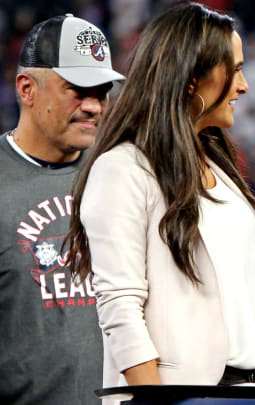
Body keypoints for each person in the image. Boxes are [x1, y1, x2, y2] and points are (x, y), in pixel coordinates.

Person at [64, 2, 255, 395]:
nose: (244, 85)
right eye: (235, 70)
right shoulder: (122, 170)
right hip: (188, 394)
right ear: (192, 79)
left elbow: (239, 295)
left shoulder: (217, 164)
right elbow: (121, 309)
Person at [0, 13, 124, 405]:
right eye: (77, 90)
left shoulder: (121, 176)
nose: (94, 106)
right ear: (27, 88)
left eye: (102, 92)